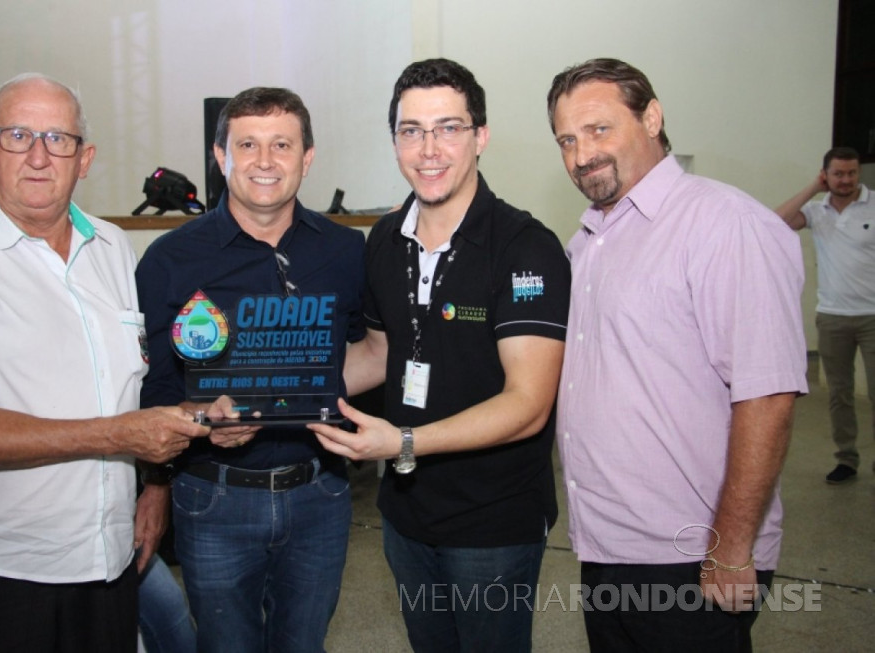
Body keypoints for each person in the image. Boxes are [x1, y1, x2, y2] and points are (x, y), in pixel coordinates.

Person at [0, 73, 211, 652]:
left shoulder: (114, 249)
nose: (39, 156)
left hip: (105, 565)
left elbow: (128, 389)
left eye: (58, 139)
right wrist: (122, 434)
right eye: (16, 135)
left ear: (84, 158)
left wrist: (155, 488)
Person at [546, 58, 807, 652]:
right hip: (609, 548)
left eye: (598, 129)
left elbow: (768, 396)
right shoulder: (586, 244)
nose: (581, 153)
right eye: (566, 139)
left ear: (653, 117)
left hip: (694, 555)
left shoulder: (726, 224)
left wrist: (731, 549)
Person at [309, 58, 570, 652]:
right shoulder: (382, 239)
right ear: (395, 139)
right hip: (406, 518)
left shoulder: (525, 247)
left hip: (494, 524)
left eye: (449, 128)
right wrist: (279, 391)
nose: (429, 149)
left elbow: (528, 404)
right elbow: (379, 352)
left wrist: (402, 443)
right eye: (411, 130)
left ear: (481, 136)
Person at [135, 87, 366, 653]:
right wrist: (196, 421)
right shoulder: (170, 259)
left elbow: (362, 352)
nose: (265, 161)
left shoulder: (346, 252)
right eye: (248, 145)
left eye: (282, 144)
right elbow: (149, 390)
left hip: (321, 497)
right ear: (221, 157)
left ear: (306, 158)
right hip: (213, 498)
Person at [775, 146, 875, 484]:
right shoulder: (816, 212)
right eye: (838, 174)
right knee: (840, 394)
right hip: (833, 317)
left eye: (851, 173)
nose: (846, 180)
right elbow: (774, 222)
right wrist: (811, 190)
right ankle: (846, 458)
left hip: (873, 315)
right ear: (825, 175)